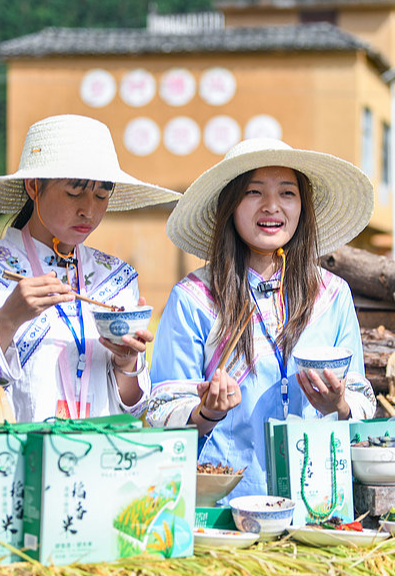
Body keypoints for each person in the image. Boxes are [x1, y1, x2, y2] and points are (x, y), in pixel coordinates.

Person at [146, 138, 377, 501]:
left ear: (303, 206)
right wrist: (207, 412)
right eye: (254, 192)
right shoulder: (194, 298)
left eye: (288, 193)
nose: (272, 206)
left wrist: (340, 404)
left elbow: (361, 397)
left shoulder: (332, 295)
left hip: (317, 501)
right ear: (230, 205)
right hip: (223, 503)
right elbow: (163, 407)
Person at [0, 114, 180, 422]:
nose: (89, 209)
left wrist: (127, 362)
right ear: (33, 186)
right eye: (74, 192)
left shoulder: (114, 279)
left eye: (101, 195)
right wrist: (6, 321)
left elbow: (136, 407)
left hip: (100, 462)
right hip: (15, 464)